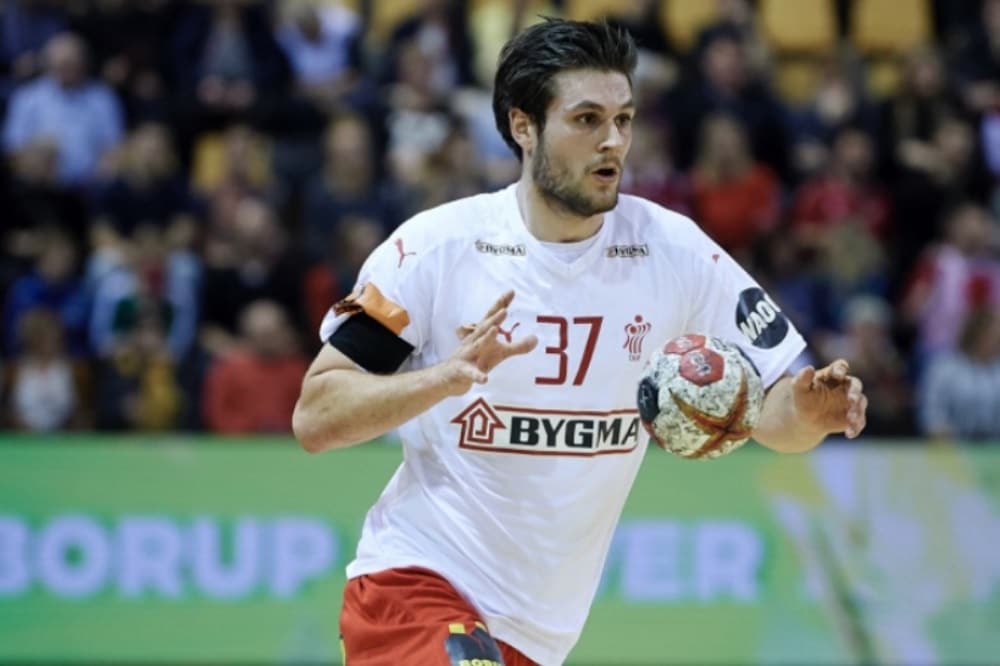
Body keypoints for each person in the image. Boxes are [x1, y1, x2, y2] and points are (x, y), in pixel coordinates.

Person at [293, 19, 868, 666]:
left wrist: (810, 413)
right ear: (523, 126)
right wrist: (442, 379)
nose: (612, 141)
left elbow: (772, 415)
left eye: (623, 120)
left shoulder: (673, 252)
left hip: (538, 635)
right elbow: (317, 416)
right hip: (414, 586)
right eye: (587, 119)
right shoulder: (436, 249)